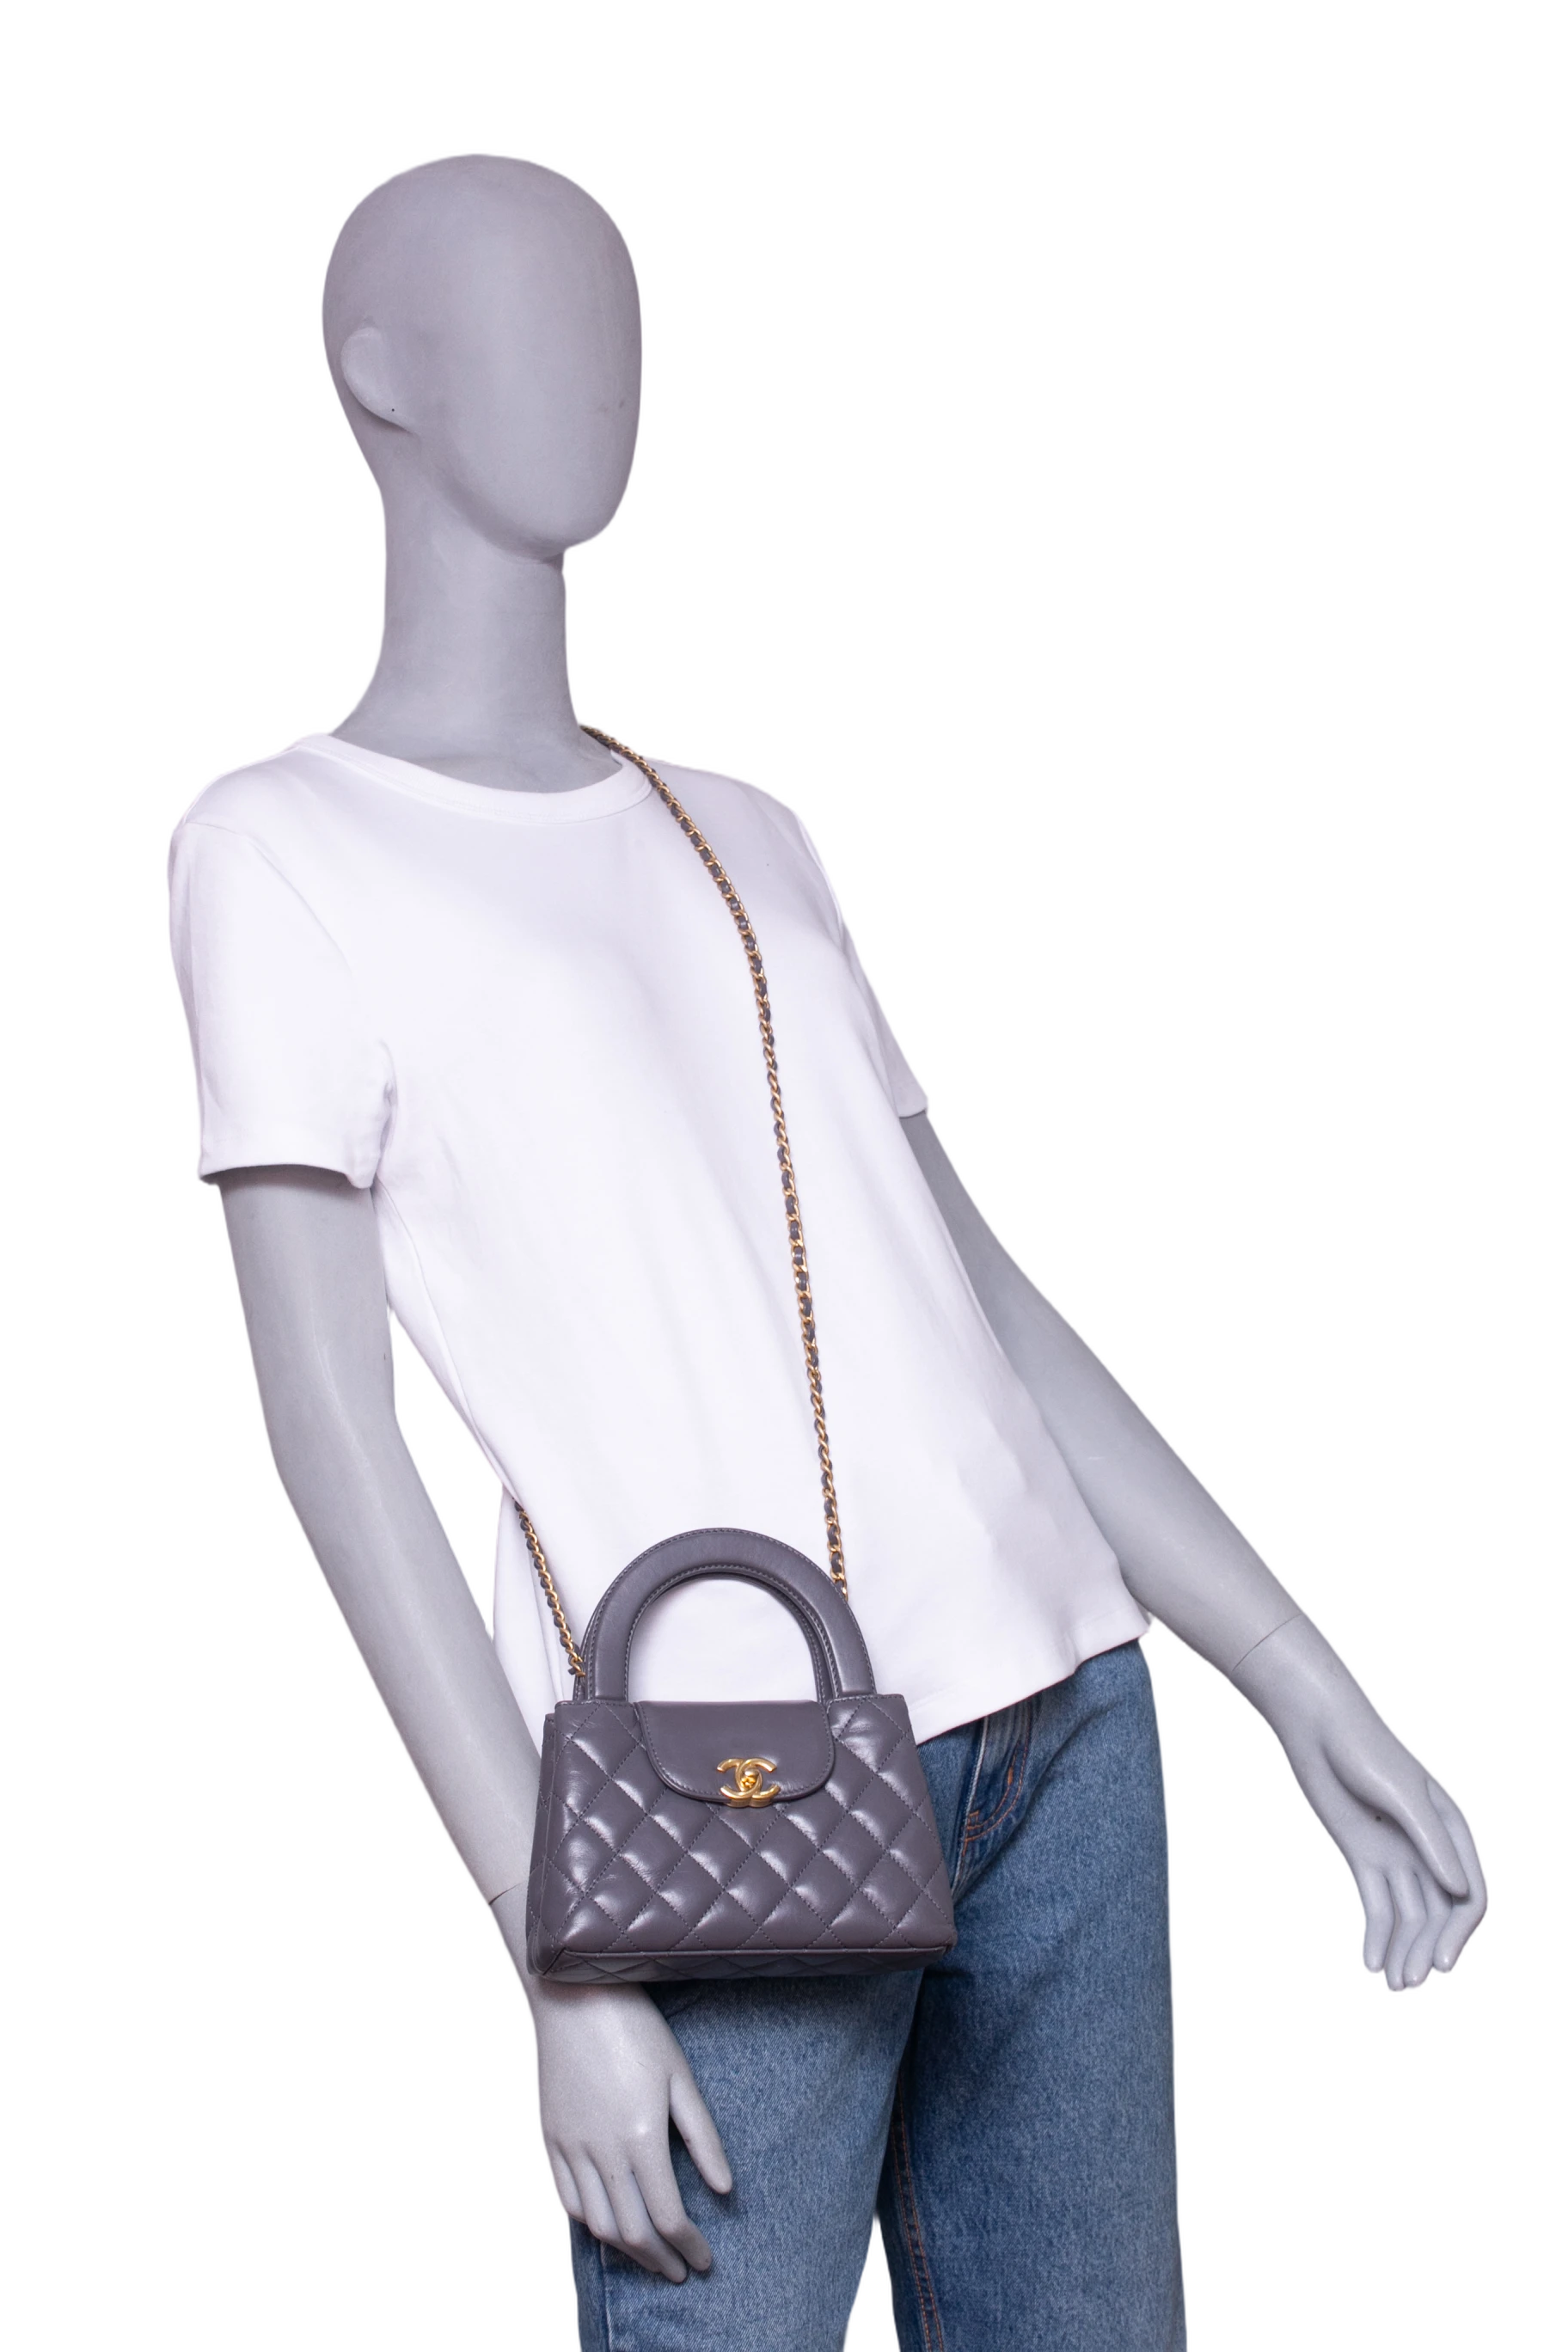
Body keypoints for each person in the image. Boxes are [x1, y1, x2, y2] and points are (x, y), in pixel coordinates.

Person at [161, 148, 1490, 2352]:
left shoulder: (750, 824)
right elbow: (330, 1440)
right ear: (376, 375)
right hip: (723, 1780)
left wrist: (1291, 1665)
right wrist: (554, 1951)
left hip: (1067, 1724)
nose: (612, 368)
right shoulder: (280, 840)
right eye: (545, 312)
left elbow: (977, 1295)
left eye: (629, 316)